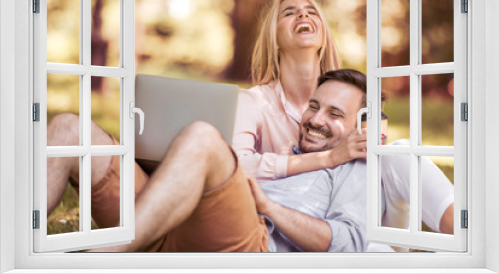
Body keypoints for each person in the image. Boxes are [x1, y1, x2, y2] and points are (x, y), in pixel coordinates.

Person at [48, 70, 375, 253]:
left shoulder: (351, 167)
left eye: (334, 114)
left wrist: (269, 207)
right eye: (314, 106)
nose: (316, 120)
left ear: (361, 126)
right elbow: (243, 163)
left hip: (248, 244)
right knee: (69, 128)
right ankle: (14, 246)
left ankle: (102, 257)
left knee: (204, 136)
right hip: (168, 218)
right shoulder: (288, 151)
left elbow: (350, 243)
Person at [232, 0, 454, 235]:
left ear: (324, 33)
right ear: (272, 37)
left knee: (398, 153)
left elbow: (371, 158)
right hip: (294, 229)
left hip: (356, 216)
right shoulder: (252, 102)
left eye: (311, 11)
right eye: (289, 13)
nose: (303, 14)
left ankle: (463, 236)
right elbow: (235, 168)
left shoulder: (351, 94)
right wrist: (327, 158)